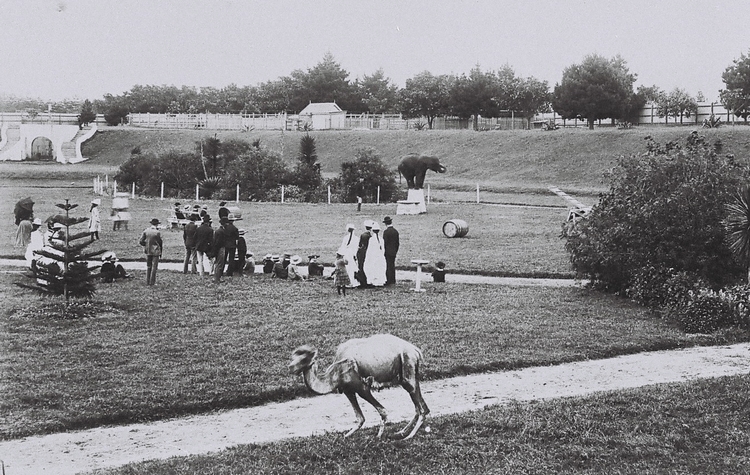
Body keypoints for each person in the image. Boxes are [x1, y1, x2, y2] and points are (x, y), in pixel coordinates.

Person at [139, 218, 163, 286]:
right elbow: (160, 242)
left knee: (149, 266)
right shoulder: (157, 232)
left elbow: (141, 241)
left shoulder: (146, 231)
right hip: (155, 251)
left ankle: (147, 281)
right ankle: (152, 282)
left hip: (148, 250)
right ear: (157, 224)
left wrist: (146, 245)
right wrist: (160, 251)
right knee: (154, 267)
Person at [364, 222, 387, 287]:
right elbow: (383, 249)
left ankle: (374, 281)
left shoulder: (371, 239)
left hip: (373, 256)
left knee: (373, 267)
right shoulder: (381, 239)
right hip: (380, 256)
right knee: (380, 268)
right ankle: (380, 281)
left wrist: (368, 256)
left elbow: (370, 249)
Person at [382, 216, 399, 286]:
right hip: (393, 251)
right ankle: (393, 279)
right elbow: (397, 243)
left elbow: (384, 243)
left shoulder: (386, 232)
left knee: (388, 265)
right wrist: (395, 250)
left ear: (386, 224)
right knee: (392, 265)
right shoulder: (395, 231)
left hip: (387, 251)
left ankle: (389, 280)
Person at [211, 217, 229, 283]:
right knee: (219, 263)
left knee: (218, 263)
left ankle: (216, 277)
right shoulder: (222, 231)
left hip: (218, 248)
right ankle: (217, 278)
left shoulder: (218, 231)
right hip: (221, 248)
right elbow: (218, 242)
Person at [356, 220, 372, 288]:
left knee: (361, 266)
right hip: (368, 251)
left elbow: (360, 244)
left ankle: (362, 280)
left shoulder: (363, 235)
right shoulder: (371, 236)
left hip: (362, 252)